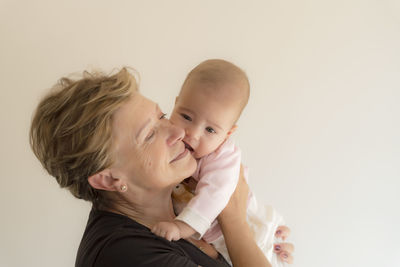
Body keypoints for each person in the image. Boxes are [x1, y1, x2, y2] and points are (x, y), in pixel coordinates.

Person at [29, 67, 294, 266]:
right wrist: (234, 221)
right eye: (149, 135)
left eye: (162, 116)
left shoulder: (182, 212)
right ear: (109, 179)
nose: (178, 132)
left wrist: (262, 243)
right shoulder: (128, 255)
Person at [151, 59, 293, 265]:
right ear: (175, 104)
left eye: (210, 130)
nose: (193, 134)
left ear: (227, 134)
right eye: (186, 116)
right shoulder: (169, 139)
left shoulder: (222, 156)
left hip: (238, 231)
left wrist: (182, 227)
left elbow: (214, 195)